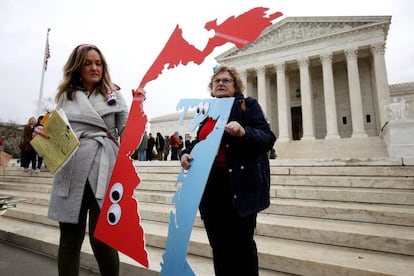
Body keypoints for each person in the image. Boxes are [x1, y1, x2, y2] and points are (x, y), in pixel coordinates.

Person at [45, 43, 134, 276]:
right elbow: (57, 133)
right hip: (71, 168)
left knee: (103, 238)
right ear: (77, 68)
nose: (95, 68)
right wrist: (43, 134)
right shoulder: (66, 96)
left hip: (103, 167)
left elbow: (129, 137)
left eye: (98, 63)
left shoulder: (114, 94)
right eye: (88, 63)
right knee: (69, 240)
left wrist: (139, 113)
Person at [180, 65, 276, 276]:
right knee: (220, 247)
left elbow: (267, 138)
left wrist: (244, 132)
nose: (221, 84)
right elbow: (199, 141)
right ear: (212, 87)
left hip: (239, 185)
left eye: (226, 80)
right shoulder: (207, 111)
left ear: (235, 86)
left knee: (242, 248)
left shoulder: (247, 106)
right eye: (217, 81)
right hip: (211, 187)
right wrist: (185, 153)